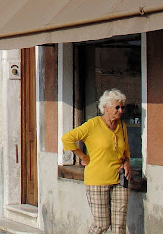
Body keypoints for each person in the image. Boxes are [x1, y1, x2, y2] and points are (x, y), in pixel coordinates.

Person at [62, 89, 131, 234]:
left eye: (122, 107)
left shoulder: (122, 126)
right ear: (105, 107)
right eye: (117, 107)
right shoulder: (93, 124)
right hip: (97, 180)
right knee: (102, 224)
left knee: (119, 227)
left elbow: (125, 149)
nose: (120, 111)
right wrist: (83, 157)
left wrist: (127, 163)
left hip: (119, 179)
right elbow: (67, 138)